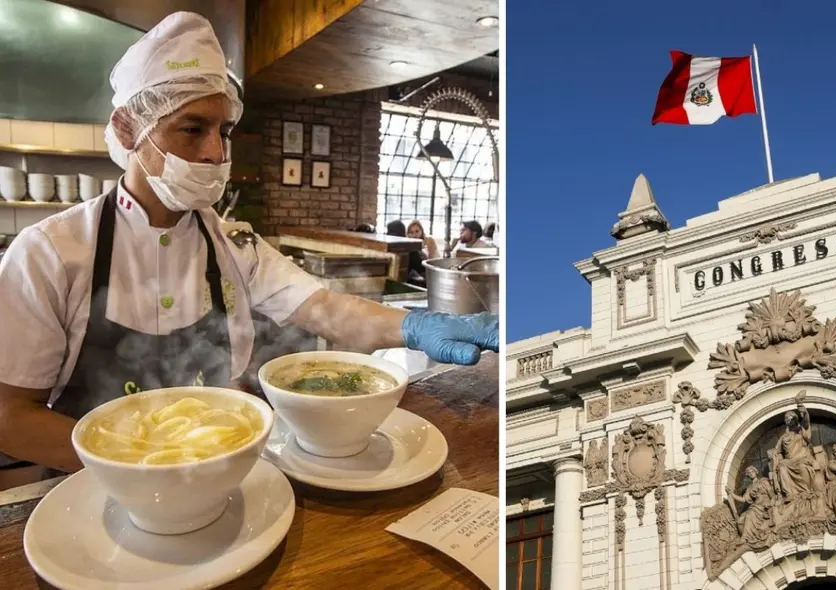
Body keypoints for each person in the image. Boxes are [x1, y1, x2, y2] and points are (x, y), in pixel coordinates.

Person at [0, 12, 497, 475]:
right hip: (90, 491)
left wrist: (415, 325)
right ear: (128, 130)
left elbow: (325, 309)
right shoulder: (50, 252)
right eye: (192, 128)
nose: (216, 152)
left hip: (223, 475)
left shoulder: (233, 246)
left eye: (224, 130)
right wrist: (145, 469)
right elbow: (11, 417)